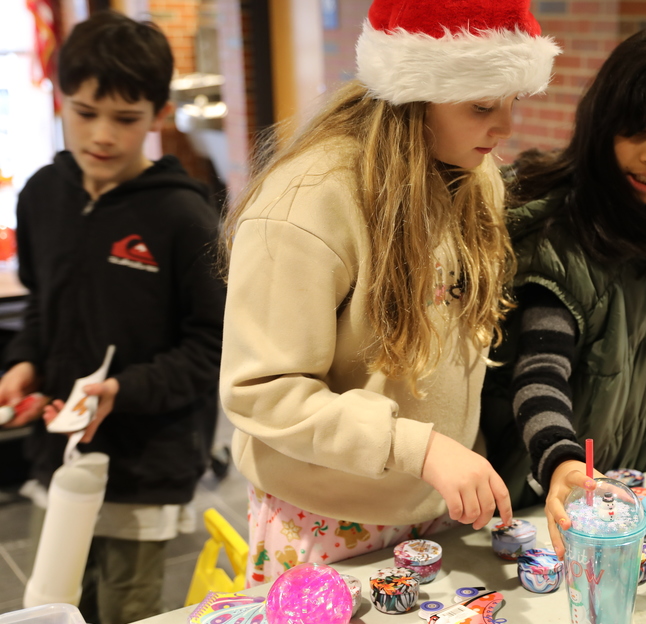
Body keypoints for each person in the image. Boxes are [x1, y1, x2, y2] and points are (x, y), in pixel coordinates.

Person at [218, 0, 559, 585]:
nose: (505, 128)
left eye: (512, 102)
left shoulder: (472, 174)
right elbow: (261, 392)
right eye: (481, 106)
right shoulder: (308, 201)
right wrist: (418, 449)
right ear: (415, 93)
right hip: (326, 515)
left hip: (432, 503)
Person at [0, 10, 225, 624]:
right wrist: (25, 363)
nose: (101, 135)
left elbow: (212, 345)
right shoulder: (42, 194)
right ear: (61, 101)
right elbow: (43, 303)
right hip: (61, 452)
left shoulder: (183, 217)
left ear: (157, 116)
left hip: (146, 462)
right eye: (84, 112)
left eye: (125, 118)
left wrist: (123, 390)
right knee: (54, 614)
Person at [480, 26, 646, 557]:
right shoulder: (559, 237)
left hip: (612, 498)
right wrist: (561, 460)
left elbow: (637, 371)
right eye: (639, 131)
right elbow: (540, 372)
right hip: (540, 508)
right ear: (603, 122)